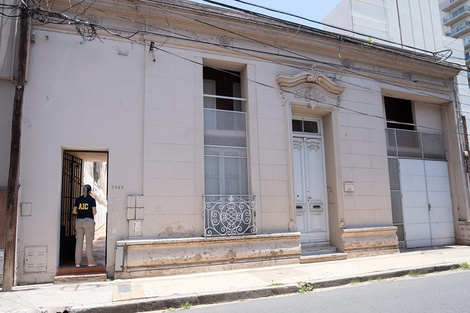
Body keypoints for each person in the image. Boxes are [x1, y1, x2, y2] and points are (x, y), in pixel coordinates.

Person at [72, 184, 97, 267]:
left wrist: (81, 212)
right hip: (88, 221)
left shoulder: (78, 199)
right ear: (90, 191)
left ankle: (77, 263)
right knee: (89, 242)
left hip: (79, 221)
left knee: (78, 243)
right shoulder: (92, 200)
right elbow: (94, 212)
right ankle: (90, 262)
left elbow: (74, 212)